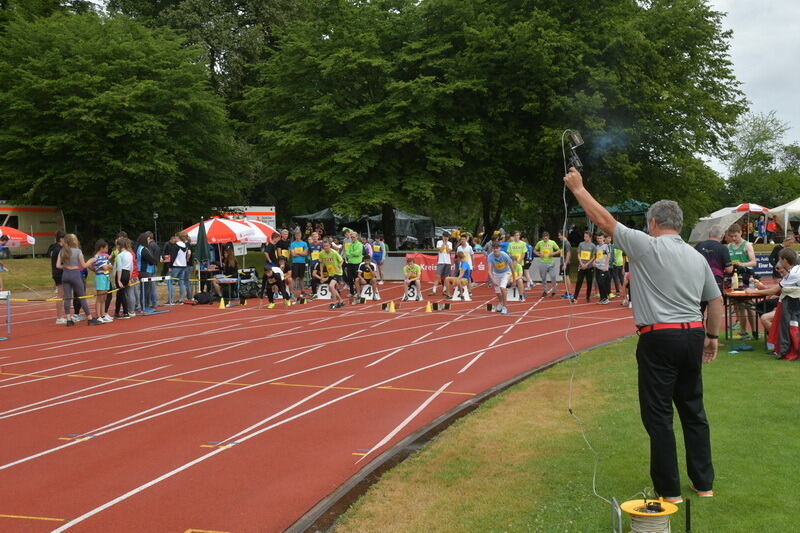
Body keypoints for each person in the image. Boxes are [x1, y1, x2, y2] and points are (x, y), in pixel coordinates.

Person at [564, 166, 722, 504]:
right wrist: (713, 337)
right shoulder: (697, 257)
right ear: (678, 224)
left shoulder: (647, 246)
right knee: (693, 409)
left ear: (652, 223)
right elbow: (716, 299)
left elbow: (607, 222)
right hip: (693, 333)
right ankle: (704, 482)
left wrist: (578, 189)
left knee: (659, 414)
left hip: (659, 337)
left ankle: (670, 490)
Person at [750, 248, 800, 360]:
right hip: (791, 303)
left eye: (780, 259)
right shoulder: (794, 271)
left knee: (769, 319)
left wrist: (754, 291)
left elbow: (775, 291)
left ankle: (781, 345)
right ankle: (780, 344)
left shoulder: (793, 274)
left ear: (784, 260)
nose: (778, 263)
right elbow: (779, 290)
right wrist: (764, 288)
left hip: (793, 305)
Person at [56, 234, 102, 326]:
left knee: (67, 297)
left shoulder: (62, 251)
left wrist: (66, 266)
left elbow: (57, 265)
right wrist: (91, 261)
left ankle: (69, 319)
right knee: (82, 297)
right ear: (74, 241)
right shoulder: (78, 251)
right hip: (75, 275)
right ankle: (89, 318)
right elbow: (84, 265)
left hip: (65, 275)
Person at [727, 223, 757, 339]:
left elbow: (754, 262)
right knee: (739, 306)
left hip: (746, 277)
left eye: (735, 236)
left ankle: (754, 331)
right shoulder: (729, 246)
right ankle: (743, 332)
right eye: (731, 236)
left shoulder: (747, 245)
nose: (734, 238)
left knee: (749, 306)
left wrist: (742, 264)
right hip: (734, 279)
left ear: (741, 233)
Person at [695, 225, 733, 314]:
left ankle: (699, 327)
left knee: (698, 311)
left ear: (709, 234)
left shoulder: (699, 245)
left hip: (699, 281)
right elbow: (729, 269)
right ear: (722, 236)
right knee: (714, 312)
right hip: (716, 281)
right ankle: (711, 327)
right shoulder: (723, 248)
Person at [85, 239, 113, 323]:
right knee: (100, 297)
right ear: (101, 248)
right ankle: (98, 316)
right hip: (101, 277)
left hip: (106, 277)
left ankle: (103, 314)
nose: (107, 250)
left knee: (104, 297)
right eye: (106, 248)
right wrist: (95, 269)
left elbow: (111, 267)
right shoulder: (97, 257)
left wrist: (107, 266)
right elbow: (104, 267)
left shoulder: (104, 257)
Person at [487, 243, 513, 315]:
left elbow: (511, 267)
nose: (495, 249)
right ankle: (501, 302)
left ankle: (505, 307)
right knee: (497, 292)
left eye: (497, 248)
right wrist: (493, 280)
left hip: (506, 272)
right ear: (492, 249)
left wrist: (513, 279)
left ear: (500, 249)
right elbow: (489, 270)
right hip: (496, 273)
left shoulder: (504, 255)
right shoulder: (490, 256)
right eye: (494, 248)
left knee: (502, 287)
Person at [318, 239, 345, 307]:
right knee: (332, 288)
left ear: (330, 246)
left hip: (337, 272)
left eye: (327, 246)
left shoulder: (334, 252)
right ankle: (341, 300)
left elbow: (341, 260)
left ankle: (334, 302)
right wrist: (321, 274)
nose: (326, 247)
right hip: (330, 273)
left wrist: (339, 266)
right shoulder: (321, 253)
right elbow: (321, 263)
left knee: (331, 286)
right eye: (324, 246)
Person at [571, 231, 596, 303]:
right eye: (584, 236)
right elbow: (578, 254)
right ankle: (575, 297)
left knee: (589, 282)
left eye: (586, 237)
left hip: (589, 267)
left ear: (590, 237)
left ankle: (588, 297)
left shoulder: (593, 246)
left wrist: (587, 264)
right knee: (579, 281)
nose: (585, 238)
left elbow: (594, 256)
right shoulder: (581, 244)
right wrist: (581, 263)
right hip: (581, 266)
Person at [534, 231, 560, 297]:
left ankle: (554, 291)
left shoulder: (552, 242)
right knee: (543, 278)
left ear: (548, 237)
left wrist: (553, 254)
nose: (545, 239)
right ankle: (545, 291)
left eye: (546, 237)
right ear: (542, 238)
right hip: (542, 262)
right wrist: (538, 254)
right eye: (544, 238)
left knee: (553, 276)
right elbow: (534, 250)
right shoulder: (539, 243)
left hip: (551, 262)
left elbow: (559, 250)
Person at [169, 232, 192, 304]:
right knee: (181, 282)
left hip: (176, 266)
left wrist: (169, 266)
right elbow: (188, 254)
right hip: (183, 266)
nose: (175, 238)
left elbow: (172, 257)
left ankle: (170, 299)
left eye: (175, 237)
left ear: (178, 237)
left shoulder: (175, 246)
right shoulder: (185, 245)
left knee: (169, 282)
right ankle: (182, 298)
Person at [114, 237, 134, 319]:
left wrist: (118, 280)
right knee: (119, 293)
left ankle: (126, 312)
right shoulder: (130, 254)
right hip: (127, 273)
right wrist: (129, 278)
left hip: (121, 273)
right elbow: (131, 267)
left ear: (119, 245)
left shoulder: (119, 255)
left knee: (122, 294)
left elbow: (119, 268)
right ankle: (117, 311)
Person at [431, 231, 453, 297]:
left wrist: (446, 244)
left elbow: (449, 251)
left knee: (446, 277)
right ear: (442, 236)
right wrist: (444, 243)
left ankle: (444, 290)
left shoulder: (450, 243)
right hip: (440, 262)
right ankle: (434, 290)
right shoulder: (439, 242)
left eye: (447, 237)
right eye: (445, 236)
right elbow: (441, 250)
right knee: (438, 276)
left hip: (448, 262)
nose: (446, 238)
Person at [290, 229, 309, 298]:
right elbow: (293, 254)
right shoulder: (292, 244)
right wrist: (301, 253)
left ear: (301, 235)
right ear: (295, 236)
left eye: (299, 235)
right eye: (296, 235)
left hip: (302, 262)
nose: (298, 236)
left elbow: (305, 253)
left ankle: (302, 291)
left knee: (301, 277)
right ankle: (291, 293)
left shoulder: (304, 243)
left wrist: (297, 252)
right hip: (295, 262)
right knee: (294, 278)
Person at [593, 232, 611, 305]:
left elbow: (609, 255)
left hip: (604, 268)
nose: (599, 239)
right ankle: (602, 298)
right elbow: (597, 256)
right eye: (598, 238)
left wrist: (606, 266)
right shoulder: (597, 247)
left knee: (601, 282)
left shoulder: (606, 246)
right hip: (598, 267)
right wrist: (594, 261)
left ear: (603, 238)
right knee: (599, 283)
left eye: (600, 238)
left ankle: (606, 298)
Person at [558, 230, 573, 299]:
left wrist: (565, 264)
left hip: (565, 263)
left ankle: (569, 293)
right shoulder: (563, 243)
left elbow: (568, 254)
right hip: (562, 262)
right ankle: (567, 292)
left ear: (563, 235)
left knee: (566, 277)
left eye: (559, 235)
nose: (559, 237)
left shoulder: (567, 243)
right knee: (564, 277)